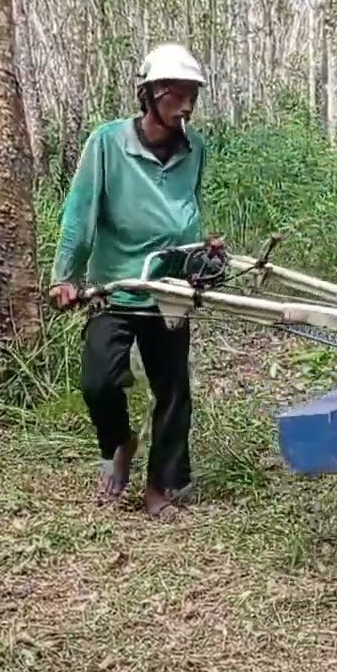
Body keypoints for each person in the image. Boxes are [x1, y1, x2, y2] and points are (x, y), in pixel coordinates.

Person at [47, 43, 208, 520]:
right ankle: (119, 443)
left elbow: (190, 207)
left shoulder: (196, 148)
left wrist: (201, 252)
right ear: (152, 94)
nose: (188, 104)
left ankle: (161, 488)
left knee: (174, 390)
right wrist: (65, 277)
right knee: (98, 381)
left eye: (193, 93)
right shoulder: (107, 143)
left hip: (170, 288)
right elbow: (80, 215)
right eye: (178, 93)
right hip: (115, 286)